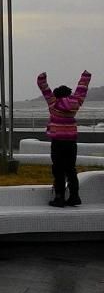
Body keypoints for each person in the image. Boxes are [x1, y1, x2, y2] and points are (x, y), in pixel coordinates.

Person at [37, 70, 92, 207]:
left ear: (57, 95)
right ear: (69, 94)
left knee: (58, 170)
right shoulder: (76, 103)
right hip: (71, 142)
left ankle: (59, 197)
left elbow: (44, 88)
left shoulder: (53, 104)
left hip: (58, 142)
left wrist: (42, 77)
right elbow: (81, 90)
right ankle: (74, 196)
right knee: (71, 169)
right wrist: (85, 77)